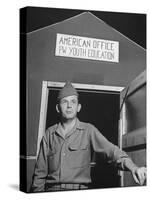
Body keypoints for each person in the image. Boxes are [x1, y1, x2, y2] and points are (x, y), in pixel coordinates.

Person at [31, 81, 146, 192]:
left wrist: (133, 167)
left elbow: (112, 151)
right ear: (58, 108)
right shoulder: (49, 134)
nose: (69, 105)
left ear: (78, 107)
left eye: (73, 102)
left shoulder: (88, 130)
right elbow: (40, 174)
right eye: (65, 102)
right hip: (51, 191)